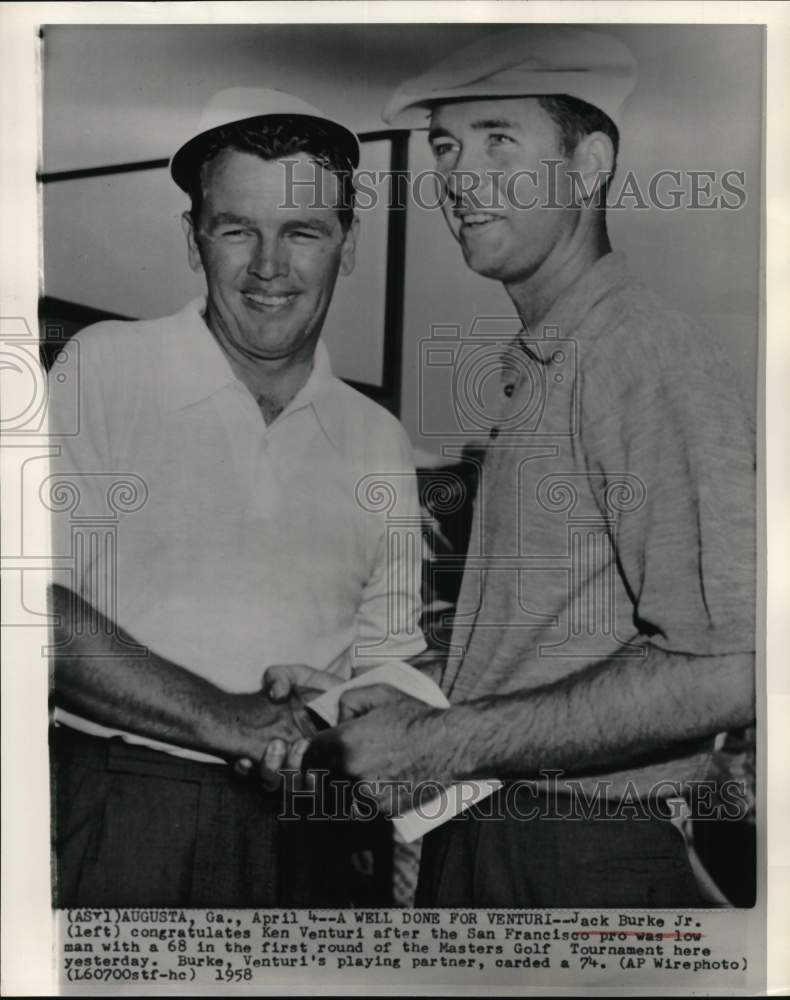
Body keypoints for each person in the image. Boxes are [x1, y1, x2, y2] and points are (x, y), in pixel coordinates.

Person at [283, 27, 756, 908]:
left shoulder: (641, 352)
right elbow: (552, 649)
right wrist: (384, 699)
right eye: (447, 148)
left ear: (589, 165)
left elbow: (736, 664)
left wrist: (444, 746)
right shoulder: (548, 362)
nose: (461, 178)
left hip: (582, 853)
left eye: (500, 139)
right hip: (502, 837)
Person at [46, 87, 425, 908]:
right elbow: (31, 609)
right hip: (130, 805)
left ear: (346, 245)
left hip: (323, 819)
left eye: (302, 232)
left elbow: (391, 658)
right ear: (194, 239)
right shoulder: (107, 367)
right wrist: (227, 717)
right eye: (236, 229)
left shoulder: (379, 438)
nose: (268, 267)